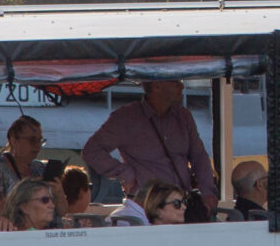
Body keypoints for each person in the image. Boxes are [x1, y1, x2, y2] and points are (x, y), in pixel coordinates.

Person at [81, 80, 218, 210]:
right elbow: (91, 151)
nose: (181, 86)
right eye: (175, 82)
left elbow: (199, 156)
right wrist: (126, 174)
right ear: (156, 86)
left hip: (182, 205)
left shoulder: (183, 116)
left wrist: (207, 192)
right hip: (147, 206)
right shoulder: (125, 118)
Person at [0, 114, 45, 195]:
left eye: (40, 140)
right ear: (14, 140)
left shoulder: (40, 168)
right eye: (32, 140)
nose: (38, 145)